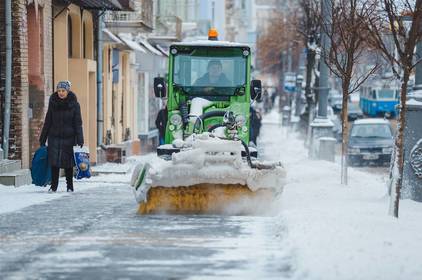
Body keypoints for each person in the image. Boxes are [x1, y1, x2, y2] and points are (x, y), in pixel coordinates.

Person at [39, 81, 84, 192]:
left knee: (68, 164)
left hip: (69, 138)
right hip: (54, 137)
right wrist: (43, 138)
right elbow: (48, 121)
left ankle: (70, 186)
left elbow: (78, 123)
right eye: (59, 90)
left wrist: (80, 139)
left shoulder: (74, 104)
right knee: (54, 163)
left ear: (67, 91)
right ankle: (54, 186)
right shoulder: (53, 103)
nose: (61, 93)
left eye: (63, 91)